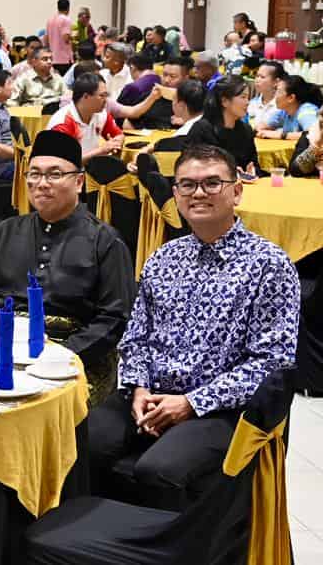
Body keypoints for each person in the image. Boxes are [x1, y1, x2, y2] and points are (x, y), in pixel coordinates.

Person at [90, 143, 297, 509]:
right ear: (176, 194)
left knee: (159, 469)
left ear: (237, 191)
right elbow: (136, 338)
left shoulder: (269, 265)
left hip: (221, 409)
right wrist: (138, 388)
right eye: (187, 184)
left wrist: (192, 402)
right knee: (83, 443)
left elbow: (272, 364)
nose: (198, 193)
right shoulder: (163, 258)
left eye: (212, 183)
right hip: (151, 396)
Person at [0, 130, 135, 403]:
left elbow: (115, 318)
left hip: (70, 360)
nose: (42, 183)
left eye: (54, 175)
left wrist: (60, 356)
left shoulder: (105, 241)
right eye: (34, 174)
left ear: (79, 182)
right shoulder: (7, 230)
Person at [46, 72, 123, 164]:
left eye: (106, 95)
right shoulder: (63, 123)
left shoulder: (100, 114)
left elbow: (119, 135)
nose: (106, 100)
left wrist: (116, 143)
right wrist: (101, 151)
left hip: (90, 167)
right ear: (85, 96)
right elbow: (63, 163)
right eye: (102, 96)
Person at [187, 75, 259, 172]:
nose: (247, 102)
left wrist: (252, 171)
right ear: (224, 101)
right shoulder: (202, 129)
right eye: (243, 97)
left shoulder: (246, 130)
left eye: (248, 98)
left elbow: (254, 163)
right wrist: (230, 173)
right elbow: (192, 166)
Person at [121, 55, 191, 130]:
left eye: (173, 76)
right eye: (164, 75)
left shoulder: (192, 99)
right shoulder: (150, 96)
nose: (167, 80)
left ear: (185, 78)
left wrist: (187, 122)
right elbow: (128, 122)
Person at [257, 74, 321, 143]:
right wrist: (261, 129)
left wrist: (281, 135)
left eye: (278, 91)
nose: (275, 95)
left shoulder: (306, 110)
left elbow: (314, 134)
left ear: (291, 98)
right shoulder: (284, 111)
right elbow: (262, 126)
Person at [247, 60, 285, 127]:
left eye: (262, 77)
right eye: (257, 76)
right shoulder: (252, 103)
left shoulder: (283, 106)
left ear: (276, 82)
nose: (257, 80)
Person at [44, 0, 74, 75]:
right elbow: (66, 38)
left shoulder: (50, 20)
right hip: (64, 59)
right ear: (68, 8)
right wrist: (73, 38)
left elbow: (46, 39)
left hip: (52, 58)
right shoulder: (66, 19)